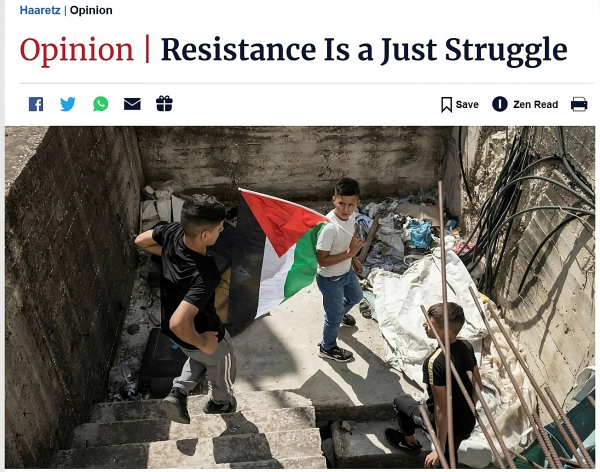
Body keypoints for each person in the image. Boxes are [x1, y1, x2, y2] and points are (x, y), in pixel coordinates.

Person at [135, 194, 236, 424]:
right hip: (199, 330)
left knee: (197, 355)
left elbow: (140, 241)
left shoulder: (171, 231)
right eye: (220, 229)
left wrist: (170, 255)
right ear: (204, 235)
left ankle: (178, 391)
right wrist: (204, 342)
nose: (221, 232)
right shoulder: (204, 273)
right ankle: (222, 401)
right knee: (221, 362)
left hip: (177, 335)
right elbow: (180, 322)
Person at [384, 302, 483, 468]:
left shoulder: (434, 363)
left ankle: (410, 443)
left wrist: (438, 446)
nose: (424, 324)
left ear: (446, 331)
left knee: (401, 402)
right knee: (452, 455)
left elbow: (441, 409)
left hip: (447, 426)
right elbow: (477, 385)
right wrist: (469, 411)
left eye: (430, 323)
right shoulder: (466, 346)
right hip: (466, 422)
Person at [316, 177, 364, 363]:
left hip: (347, 271)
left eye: (351, 204)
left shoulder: (351, 217)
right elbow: (323, 260)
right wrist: (350, 252)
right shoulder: (329, 227)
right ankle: (327, 347)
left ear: (357, 203)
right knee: (333, 316)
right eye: (341, 203)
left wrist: (354, 260)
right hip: (330, 279)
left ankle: (337, 313)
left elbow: (349, 238)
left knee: (356, 297)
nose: (345, 209)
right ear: (333, 199)